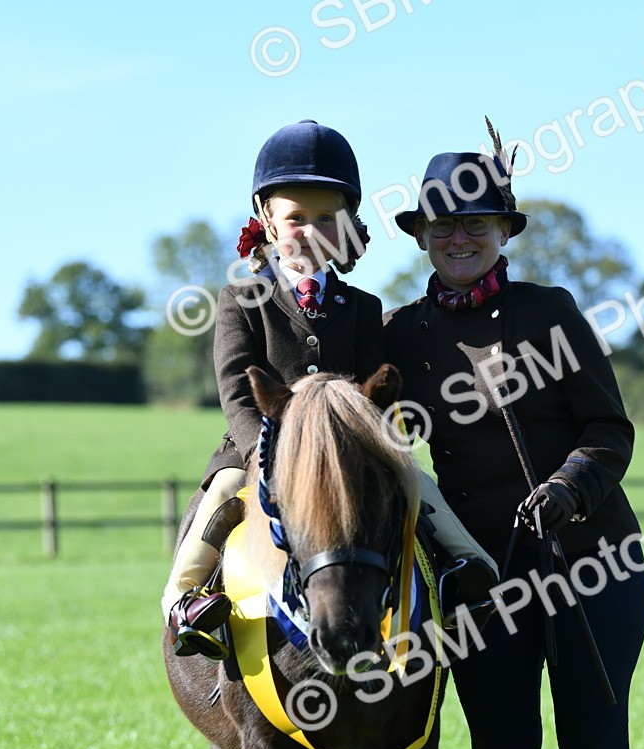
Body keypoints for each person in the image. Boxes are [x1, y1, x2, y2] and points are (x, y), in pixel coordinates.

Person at [162, 119, 498, 660]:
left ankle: (465, 567)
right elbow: (236, 389)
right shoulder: (239, 299)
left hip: (351, 450)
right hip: (259, 448)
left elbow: (371, 390)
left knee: (415, 481)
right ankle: (186, 599)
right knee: (222, 492)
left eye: (326, 219)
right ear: (268, 223)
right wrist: (263, 455)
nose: (311, 231)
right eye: (297, 219)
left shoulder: (362, 307)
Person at [383, 122, 644, 749]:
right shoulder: (401, 336)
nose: (459, 239)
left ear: (503, 230)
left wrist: (568, 487)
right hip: (482, 578)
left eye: (476, 223)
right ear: (420, 236)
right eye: (442, 225)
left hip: (592, 561)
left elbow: (609, 430)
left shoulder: (549, 312)